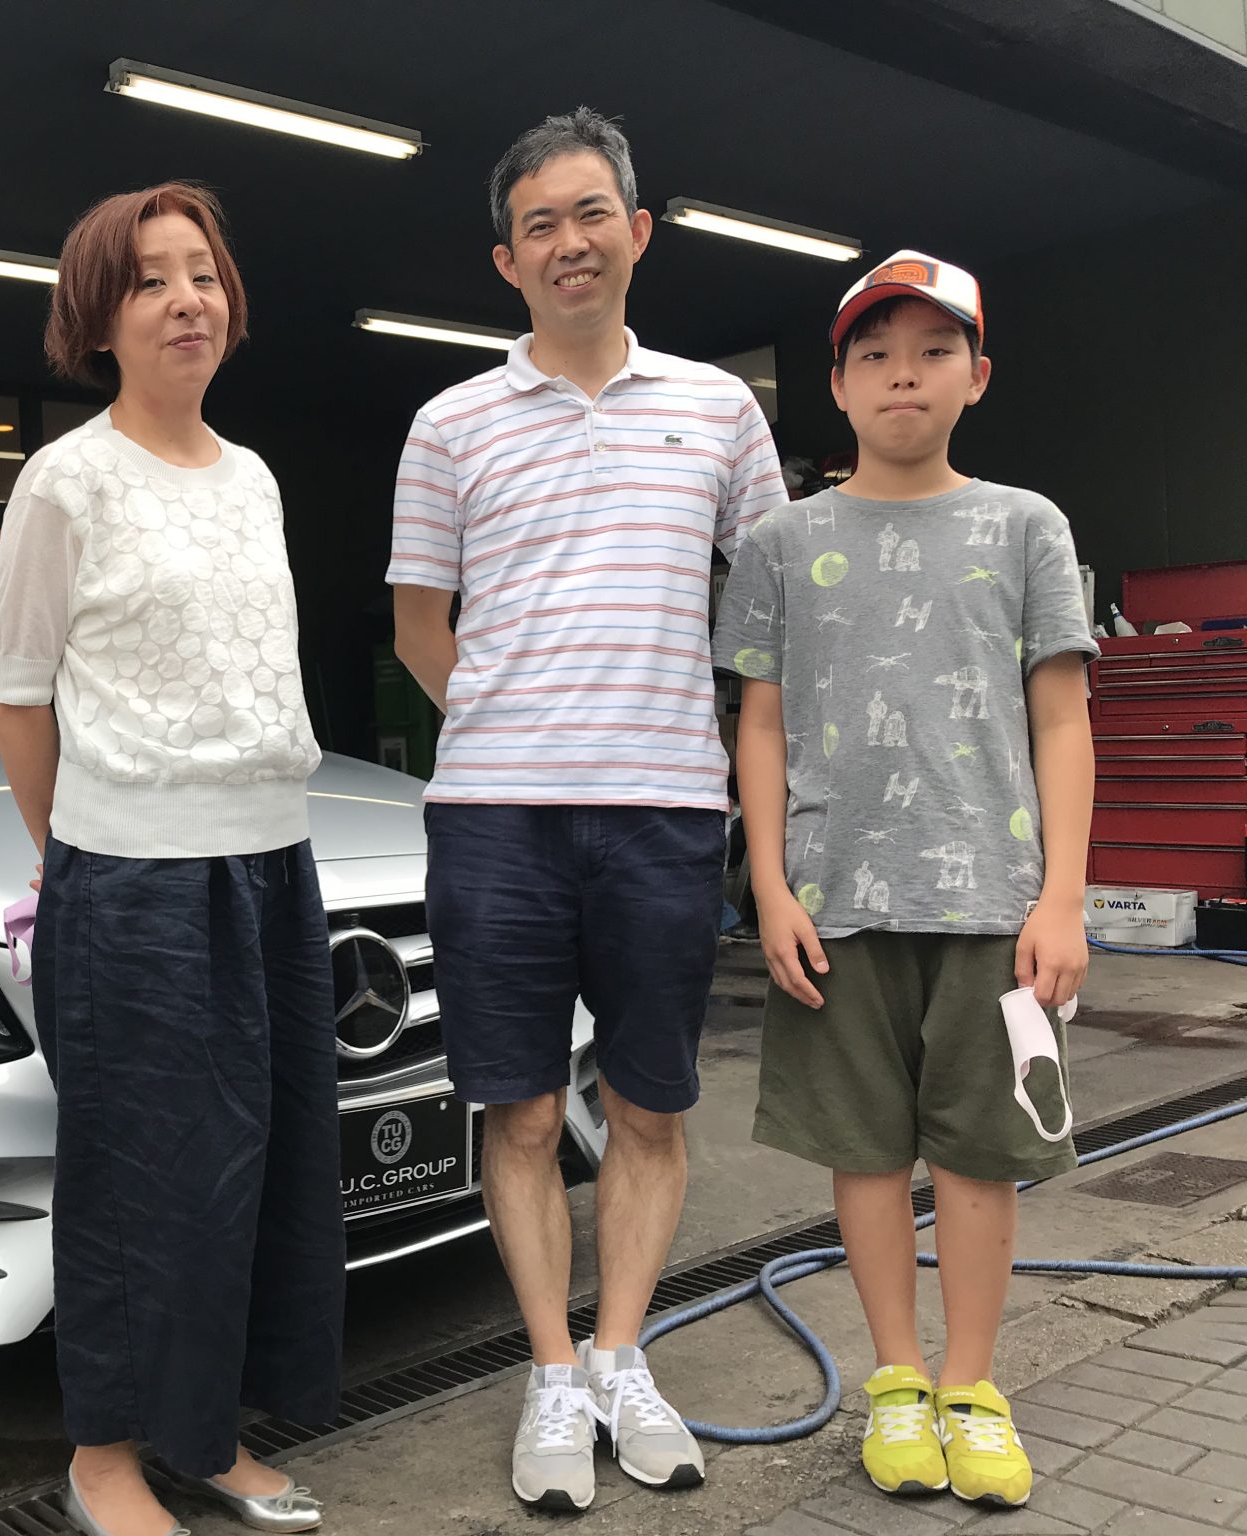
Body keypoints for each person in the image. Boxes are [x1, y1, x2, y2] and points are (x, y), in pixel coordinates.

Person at [386, 107, 784, 1513]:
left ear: (638, 230)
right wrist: (515, 722)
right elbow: (419, 626)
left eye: (590, 213)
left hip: (663, 811)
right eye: (538, 224)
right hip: (495, 816)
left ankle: (623, 1356)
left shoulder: (719, 411)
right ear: (508, 260)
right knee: (518, 1109)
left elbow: (768, 615)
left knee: (649, 1103)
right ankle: (551, 1376)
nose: (568, 241)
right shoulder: (449, 424)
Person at [712, 251, 1097, 1509]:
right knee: (865, 1151)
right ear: (834, 384)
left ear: (976, 376)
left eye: (933, 351)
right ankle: (893, 1378)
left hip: (994, 902)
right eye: (873, 355)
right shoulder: (779, 541)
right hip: (836, 901)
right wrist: (769, 885)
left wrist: (1061, 898)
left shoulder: (1025, 526)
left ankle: (970, 1388)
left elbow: (1061, 719)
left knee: (981, 1156)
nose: (902, 375)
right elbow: (758, 722)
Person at [0, 182, 339, 1536]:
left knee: (256, 1170)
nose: (188, 299)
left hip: (273, 864)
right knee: (140, 1178)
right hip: (133, 881)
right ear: (99, 321)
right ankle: (104, 1461)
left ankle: (210, 1437)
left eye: (203, 273)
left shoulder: (251, 476)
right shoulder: (65, 481)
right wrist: (77, 862)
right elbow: (20, 695)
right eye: (149, 281)